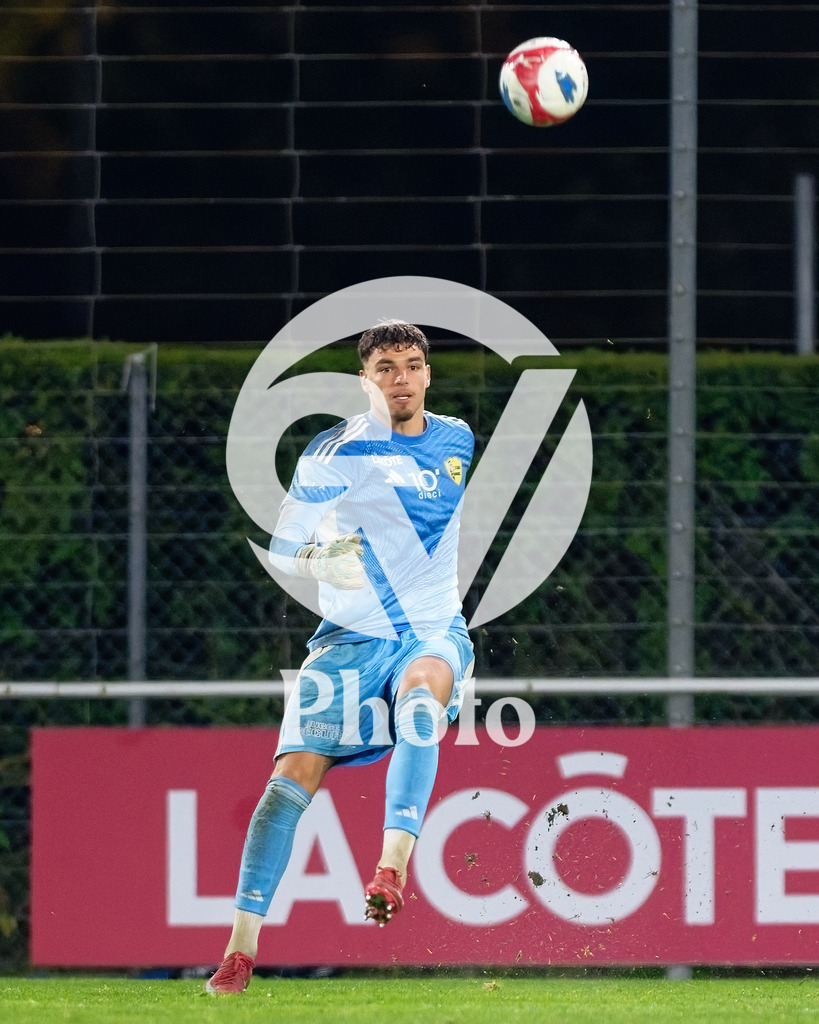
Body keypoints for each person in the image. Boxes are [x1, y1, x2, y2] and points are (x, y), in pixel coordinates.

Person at [205, 320, 475, 994]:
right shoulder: (333, 454)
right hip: (347, 639)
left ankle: (390, 866)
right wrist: (320, 557)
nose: (401, 379)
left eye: (411, 365)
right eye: (385, 367)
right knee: (286, 785)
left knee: (421, 703)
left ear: (427, 374)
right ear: (364, 379)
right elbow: (284, 545)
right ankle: (239, 951)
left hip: (428, 627)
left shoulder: (457, 440)